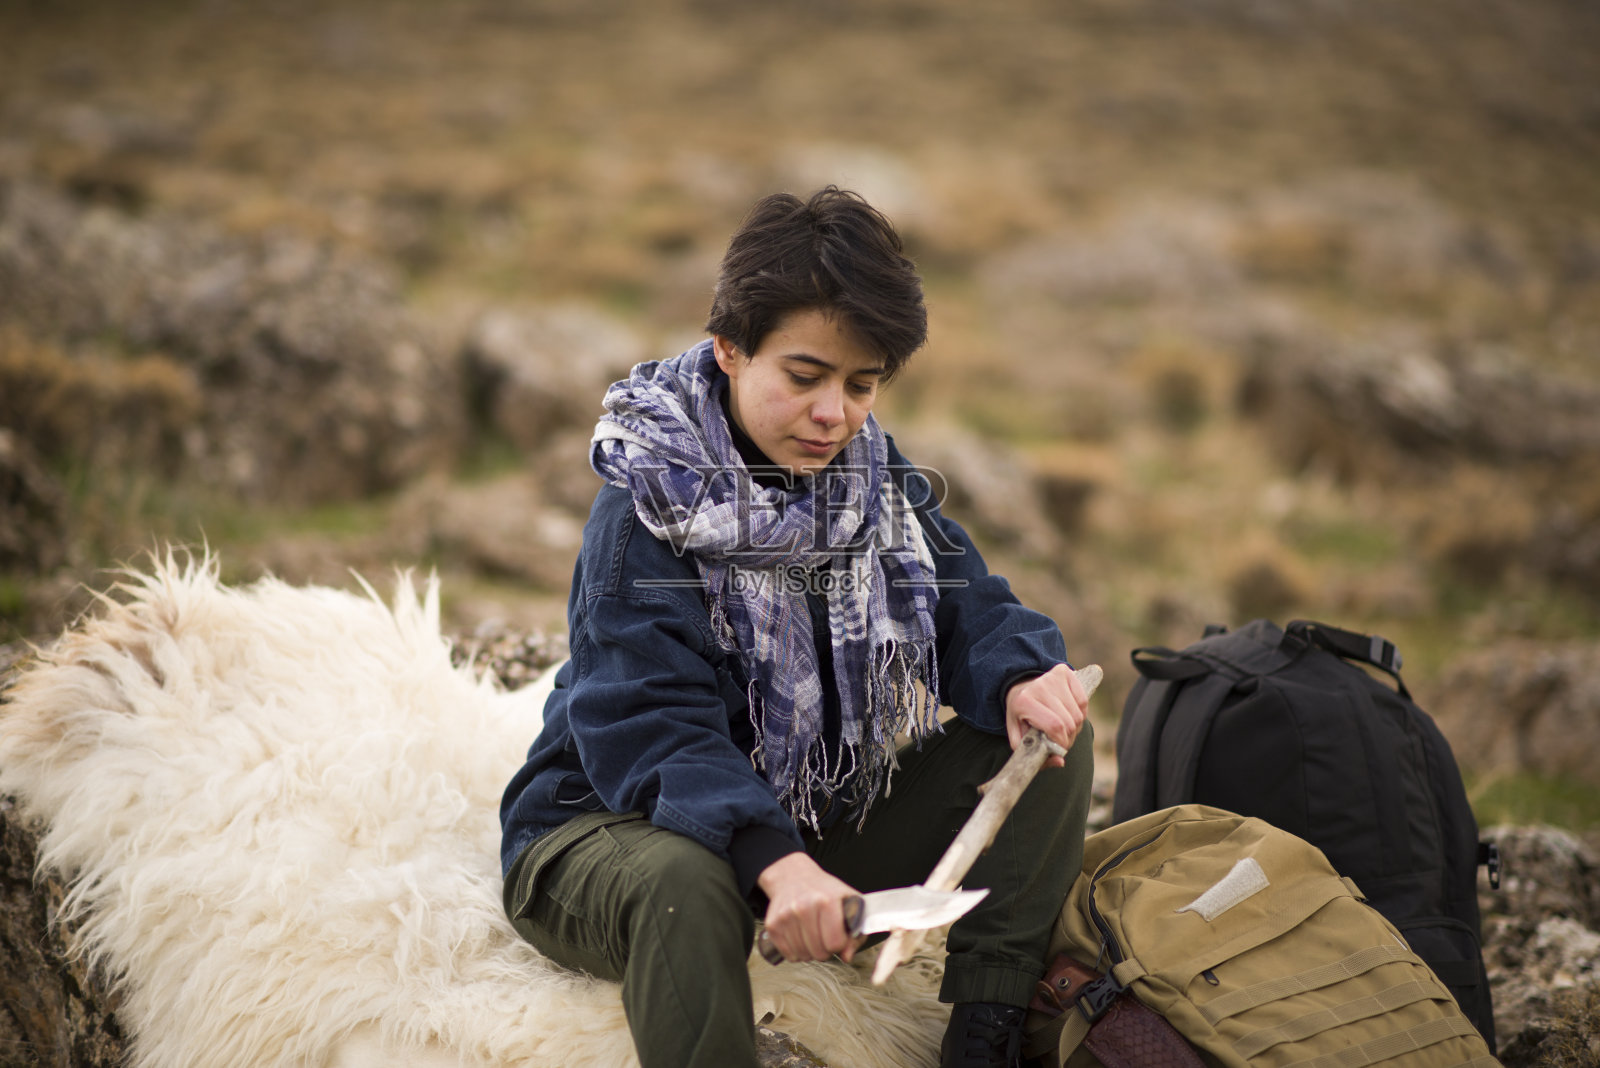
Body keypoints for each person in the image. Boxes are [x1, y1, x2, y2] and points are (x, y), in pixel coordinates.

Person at [499, 187, 1093, 1068]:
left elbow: (962, 594)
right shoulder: (642, 514)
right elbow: (655, 731)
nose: (835, 417)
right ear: (730, 351)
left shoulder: (866, 474)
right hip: (611, 827)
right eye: (805, 377)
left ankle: (986, 1038)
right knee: (688, 883)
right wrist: (775, 862)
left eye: (861, 386)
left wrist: (1018, 671)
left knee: (1047, 738)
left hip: (802, 813)